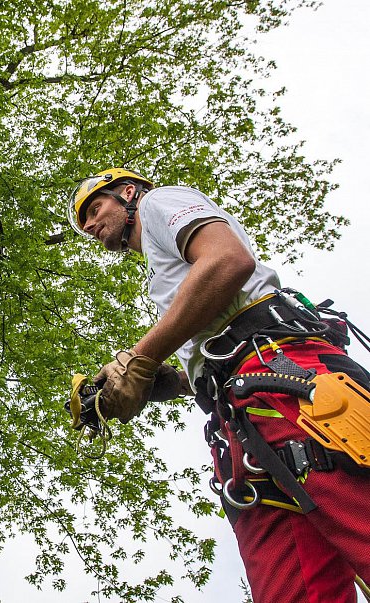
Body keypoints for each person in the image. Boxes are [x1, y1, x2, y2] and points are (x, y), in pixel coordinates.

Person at [67, 168, 370, 603]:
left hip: (283, 383)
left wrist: (139, 359)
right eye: (85, 223)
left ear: (128, 194)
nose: (91, 225)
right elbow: (218, 339)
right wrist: (170, 381)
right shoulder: (160, 273)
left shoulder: (159, 203)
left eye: (96, 209)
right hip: (241, 422)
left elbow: (228, 260)